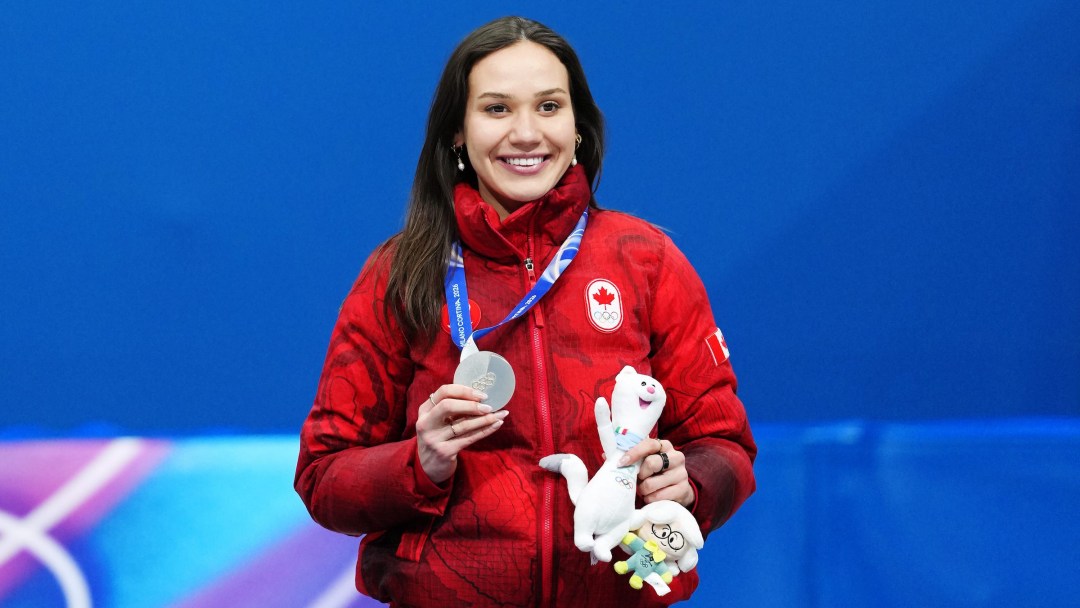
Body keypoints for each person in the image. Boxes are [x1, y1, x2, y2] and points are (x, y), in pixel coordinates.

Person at [294, 15, 756, 607]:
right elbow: (323, 476)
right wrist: (421, 462)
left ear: (578, 126)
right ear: (457, 134)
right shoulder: (398, 274)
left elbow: (725, 444)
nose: (525, 133)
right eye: (496, 109)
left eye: (547, 106)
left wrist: (686, 480)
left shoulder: (646, 261)